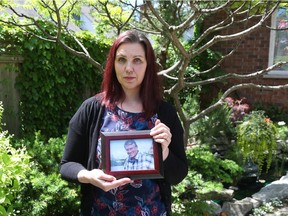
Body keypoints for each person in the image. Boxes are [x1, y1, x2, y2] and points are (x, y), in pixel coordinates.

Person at [60, 29, 188, 216]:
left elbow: (178, 174)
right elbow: (67, 164)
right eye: (121, 60)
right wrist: (89, 176)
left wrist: (165, 153)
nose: (129, 68)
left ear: (147, 66)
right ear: (113, 64)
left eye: (137, 60)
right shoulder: (92, 109)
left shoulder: (164, 113)